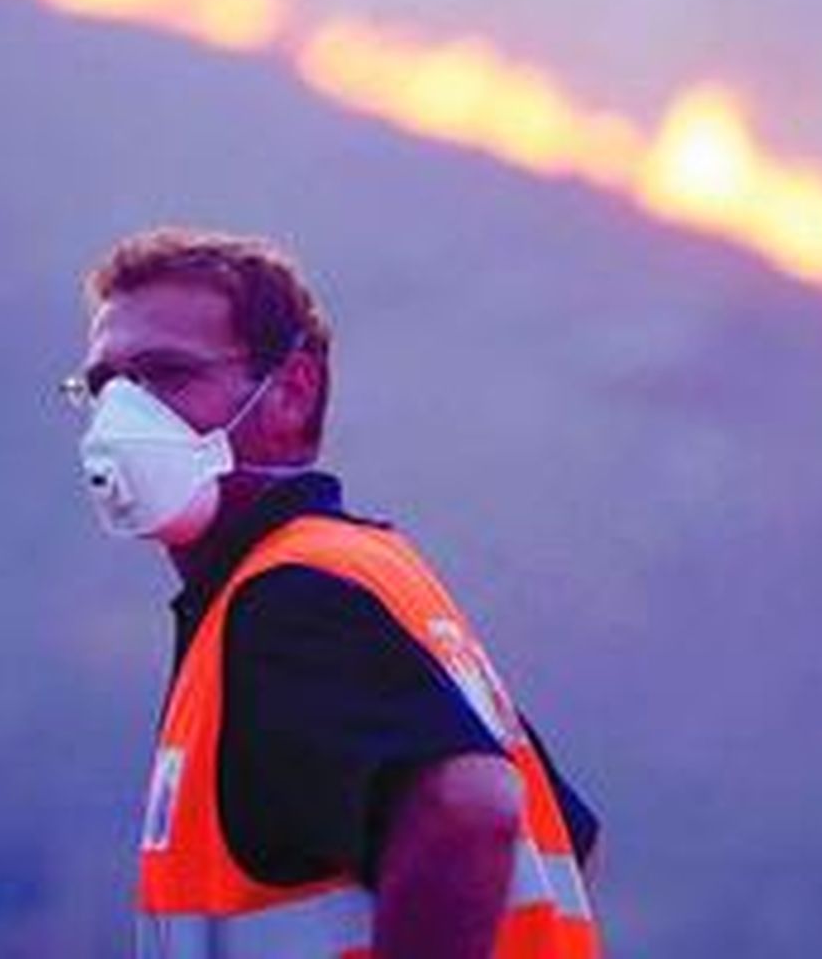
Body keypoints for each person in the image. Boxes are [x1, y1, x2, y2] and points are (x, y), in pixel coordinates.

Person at [64, 227, 601, 958]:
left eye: (166, 375)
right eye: (104, 386)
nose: (120, 418)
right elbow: (565, 843)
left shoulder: (291, 602)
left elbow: (470, 809)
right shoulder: (365, 573)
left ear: (291, 392)